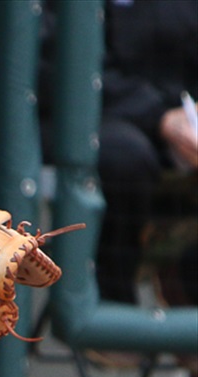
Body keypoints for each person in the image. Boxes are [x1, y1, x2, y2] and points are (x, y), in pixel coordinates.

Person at [91, 0, 197, 305]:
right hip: (110, 117)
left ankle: (187, 284)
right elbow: (60, 60)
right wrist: (161, 117)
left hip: (185, 120)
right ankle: (113, 306)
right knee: (125, 158)